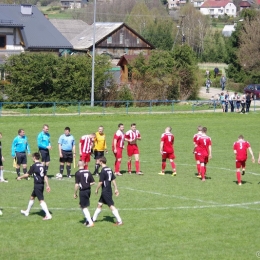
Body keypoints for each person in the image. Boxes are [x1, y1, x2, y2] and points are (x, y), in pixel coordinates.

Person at [18, 152, 52, 220]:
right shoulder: (42, 165)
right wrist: (47, 185)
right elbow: (45, 176)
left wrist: (20, 177)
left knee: (41, 200)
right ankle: (27, 211)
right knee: (32, 197)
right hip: (41, 184)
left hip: (37, 185)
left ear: (34, 158)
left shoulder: (34, 166)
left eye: (32, 157)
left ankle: (48, 215)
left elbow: (27, 174)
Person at [92, 156, 123, 226]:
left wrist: (96, 189)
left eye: (98, 161)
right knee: (99, 204)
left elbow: (100, 182)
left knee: (111, 205)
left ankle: (119, 221)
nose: (97, 162)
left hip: (105, 191)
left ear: (101, 162)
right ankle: (93, 219)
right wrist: (115, 188)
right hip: (108, 189)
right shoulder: (109, 169)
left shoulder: (103, 171)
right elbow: (113, 179)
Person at [74, 161, 95, 227]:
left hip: (83, 191)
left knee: (83, 207)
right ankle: (87, 220)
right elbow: (93, 182)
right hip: (88, 190)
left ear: (77, 165)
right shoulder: (88, 172)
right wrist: (87, 185)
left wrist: (75, 193)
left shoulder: (77, 173)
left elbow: (77, 184)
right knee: (81, 205)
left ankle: (90, 222)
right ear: (84, 165)